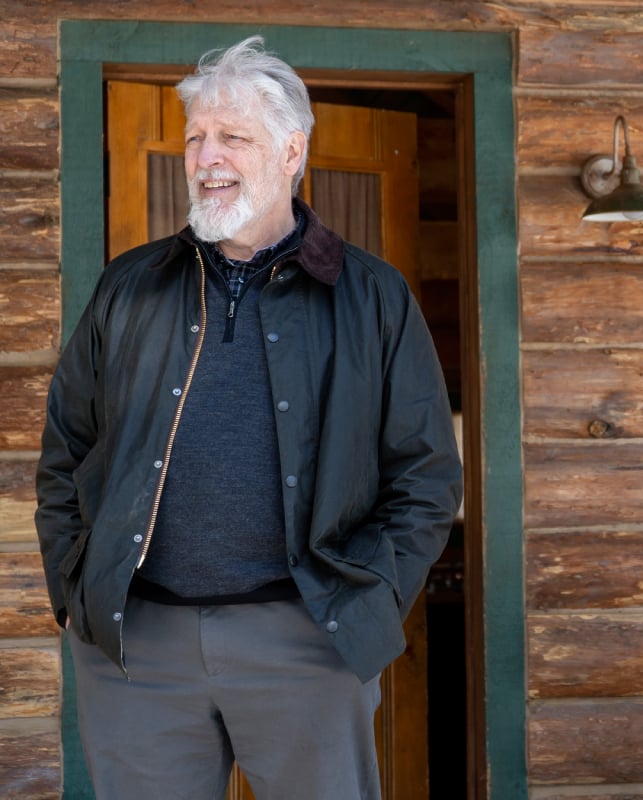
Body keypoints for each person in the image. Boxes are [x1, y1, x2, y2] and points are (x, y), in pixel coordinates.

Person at [34, 36, 463, 800]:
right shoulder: (129, 287)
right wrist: (75, 590)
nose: (207, 154)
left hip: (307, 638)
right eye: (196, 136)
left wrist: (364, 597)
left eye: (233, 136)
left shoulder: (372, 296)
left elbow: (425, 478)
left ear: (292, 149)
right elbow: (67, 448)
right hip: (140, 650)